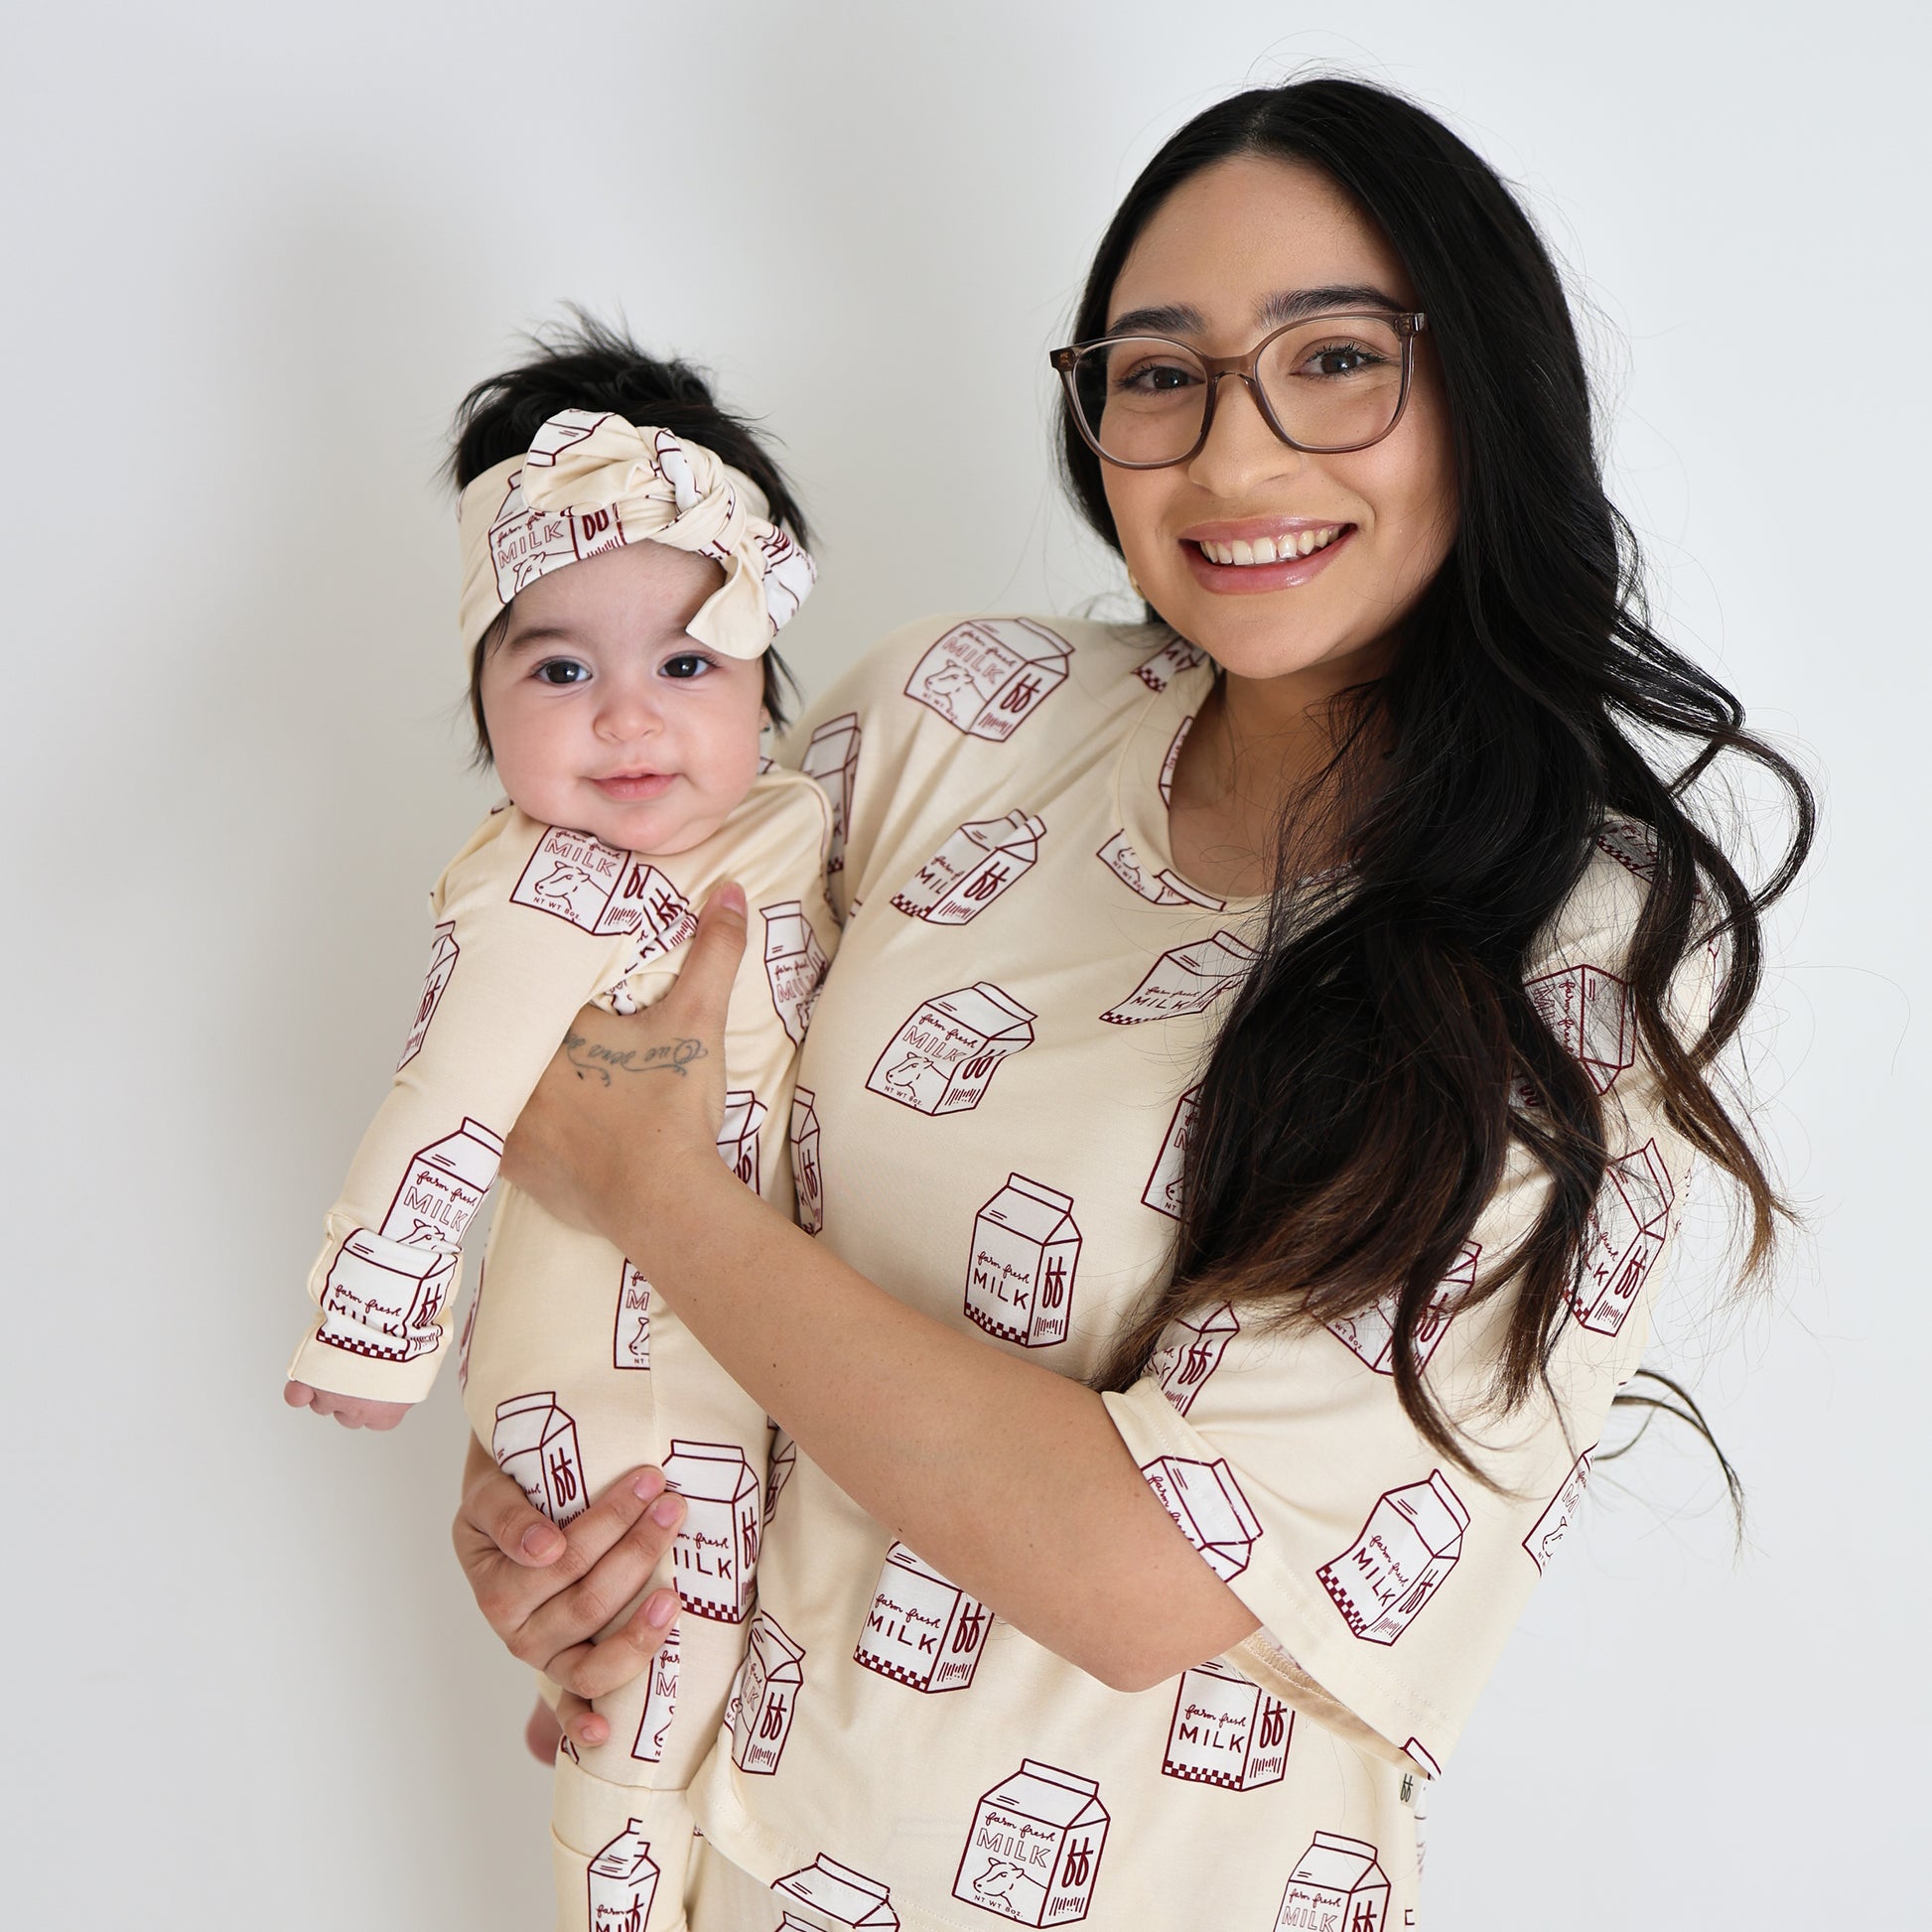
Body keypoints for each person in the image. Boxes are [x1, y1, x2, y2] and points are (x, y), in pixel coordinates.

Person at [453, 79, 1811, 1930]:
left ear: (1484, 392)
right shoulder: (950, 719)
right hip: (714, 1866)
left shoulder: (1576, 961)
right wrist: (548, 1501)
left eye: (1334, 360)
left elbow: (1146, 1566)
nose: (1232, 461)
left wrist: (657, 1202)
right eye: (1157, 374)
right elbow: (611, 1065)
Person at [284, 322, 837, 1929]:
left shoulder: (792, 822)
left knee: (745, 1742)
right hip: (602, 1389)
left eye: (686, 662)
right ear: (482, 690)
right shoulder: (538, 886)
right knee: (631, 1727)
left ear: (758, 680)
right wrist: (369, 1327)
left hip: (758, 1366)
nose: (627, 719)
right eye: (558, 668)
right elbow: (443, 1103)